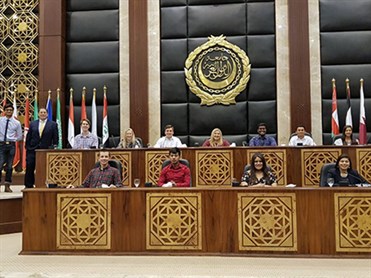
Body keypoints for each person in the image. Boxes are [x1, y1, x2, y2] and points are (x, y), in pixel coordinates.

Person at [25, 108, 58, 188]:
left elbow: (55, 138)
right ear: (38, 114)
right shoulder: (33, 123)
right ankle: (29, 185)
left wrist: (53, 146)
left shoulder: (53, 124)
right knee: (30, 167)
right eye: (41, 112)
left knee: (48, 168)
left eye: (44, 112)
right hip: (33, 149)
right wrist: (28, 147)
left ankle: (50, 184)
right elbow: (29, 136)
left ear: (47, 114)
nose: (43, 114)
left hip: (46, 150)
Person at [0, 104, 23, 192]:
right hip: (1, 145)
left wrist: (12, 139)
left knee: (9, 166)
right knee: (0, 165)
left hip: (11, 145)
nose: (9, 111)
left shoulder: (16, 123)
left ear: (13, 111)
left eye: (10, 110)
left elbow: (20, 136)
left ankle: (7, 185)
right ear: (4, 111)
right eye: (7, 110)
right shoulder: (0, 120)